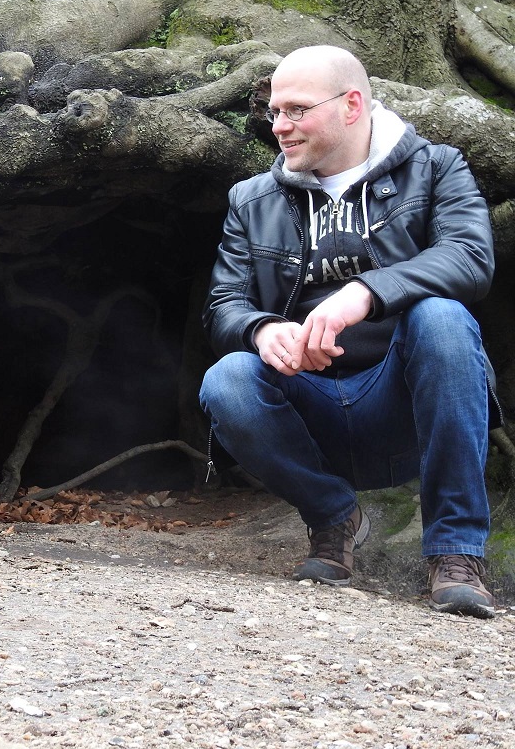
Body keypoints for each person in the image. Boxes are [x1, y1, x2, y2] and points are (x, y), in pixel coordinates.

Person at [199, 45, 500, 618]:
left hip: (405, 406)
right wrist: (262, 331)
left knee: (443, 317)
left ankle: (457, 555)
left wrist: (365, 292)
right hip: (306, 410)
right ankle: (334, 518)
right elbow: (223, 304)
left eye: (296, 110)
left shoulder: (437, 167)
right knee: (229, 378)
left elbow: (470, 257)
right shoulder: (250, 199)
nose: (279, 126)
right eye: (274, 112)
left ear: (352, 104)